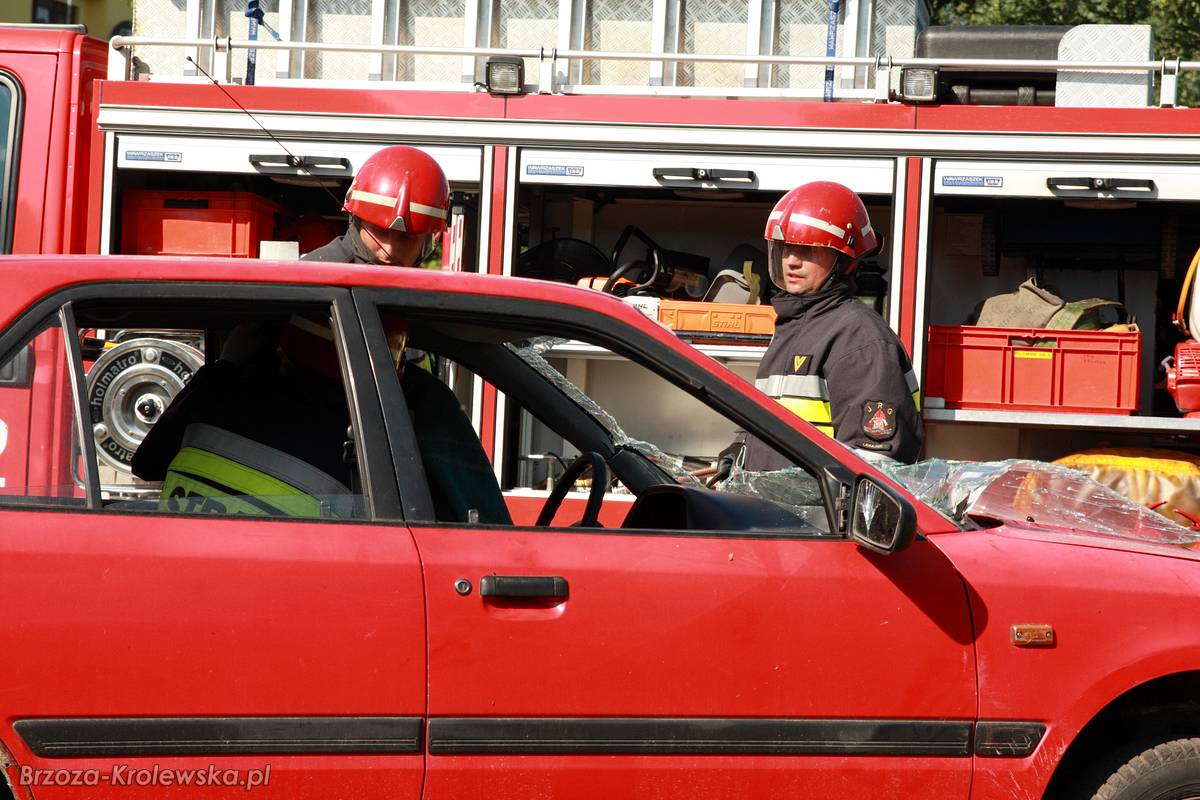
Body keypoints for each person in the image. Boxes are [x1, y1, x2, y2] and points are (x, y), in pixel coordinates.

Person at [720, 181, 923, 474]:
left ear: (844, 260)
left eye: (808, 250)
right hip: (776, 502)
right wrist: (741, 449)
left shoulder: (859, 338)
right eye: (786, 248)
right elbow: (775, 415)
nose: (791, 261)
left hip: (811, 505)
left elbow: (873, 466)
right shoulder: (795, 325)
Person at [303, 144, 450, 266]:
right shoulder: (310, 278)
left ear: (428, 240)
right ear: (357, 222)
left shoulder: (423, 289)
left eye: (406, 238)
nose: (389, 252)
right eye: (380, 232)